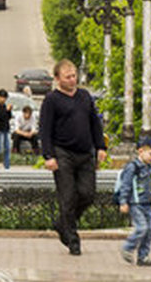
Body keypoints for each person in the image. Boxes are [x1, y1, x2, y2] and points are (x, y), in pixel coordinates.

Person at [39, 59, 107, 256]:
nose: (72, 80)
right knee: (67, 198)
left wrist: (100, 147)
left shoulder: (85, 96)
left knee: (88, 194)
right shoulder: (52, 100)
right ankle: (73, 240)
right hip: (62, 154)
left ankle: (62, 224)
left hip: (85, 153)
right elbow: (45, 129)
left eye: (74, 75)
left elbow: (95, 123)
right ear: (57, 78)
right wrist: (48, 156)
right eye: (68, 77)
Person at [118, 135, 151, 267]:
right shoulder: (132, 167)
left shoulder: (149, 167)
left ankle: (143, 256)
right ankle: (127, 247)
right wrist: (123, 201)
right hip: (135, 203)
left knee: (149, 230)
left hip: (147, 203)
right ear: (140, 151)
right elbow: (125, 185)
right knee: (141, 227)